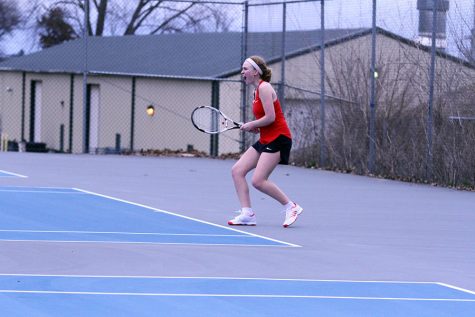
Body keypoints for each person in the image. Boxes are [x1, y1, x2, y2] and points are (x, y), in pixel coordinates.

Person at [228, 55, 303, 228]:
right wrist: (255, 127)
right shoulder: (255, 92)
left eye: (245, 69)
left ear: (255, 72)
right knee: (237, 171)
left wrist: (251, 124)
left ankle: (291, 207)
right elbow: (265, 121)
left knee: (258, 180)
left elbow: (271, 117)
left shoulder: (265, 88)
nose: (242, 72)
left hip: (279, 138)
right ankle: (247, 214)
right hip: (266, 137)